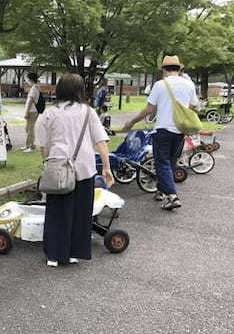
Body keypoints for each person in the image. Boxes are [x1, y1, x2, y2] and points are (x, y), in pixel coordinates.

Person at [35, 73, 114, 268]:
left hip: (58, 169)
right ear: (80, 91)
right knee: (80, 213)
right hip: (84, 170)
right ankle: (74, 253)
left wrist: (48, 161)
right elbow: (100, 142)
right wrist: (106, 167)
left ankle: (54, 254)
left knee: (56, 212)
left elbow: (43, 146)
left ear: (59, 89)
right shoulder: (88, 112)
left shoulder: (49, 114)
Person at [124, 55, 199, 210]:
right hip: (180, 130)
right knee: (170, 162)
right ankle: (160, 191)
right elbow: (194, 106)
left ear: (164, 69)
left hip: (163, 129)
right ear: (179, 69)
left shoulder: (160, 85)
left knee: (162, 163)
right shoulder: (189, 85)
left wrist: (131, 122)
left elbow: (150, 109)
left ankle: (172, 196)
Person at [22, 72, 41, 152]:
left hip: (32, 111)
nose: (27, 81)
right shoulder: (36, 87)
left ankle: (31, 146)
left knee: (30, 129)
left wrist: (26, 112)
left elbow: (31, 101)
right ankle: (28, 145)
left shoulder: (34, 88)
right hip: (33, 110)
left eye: (27, 79)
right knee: (28, 128)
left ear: (31, 79)